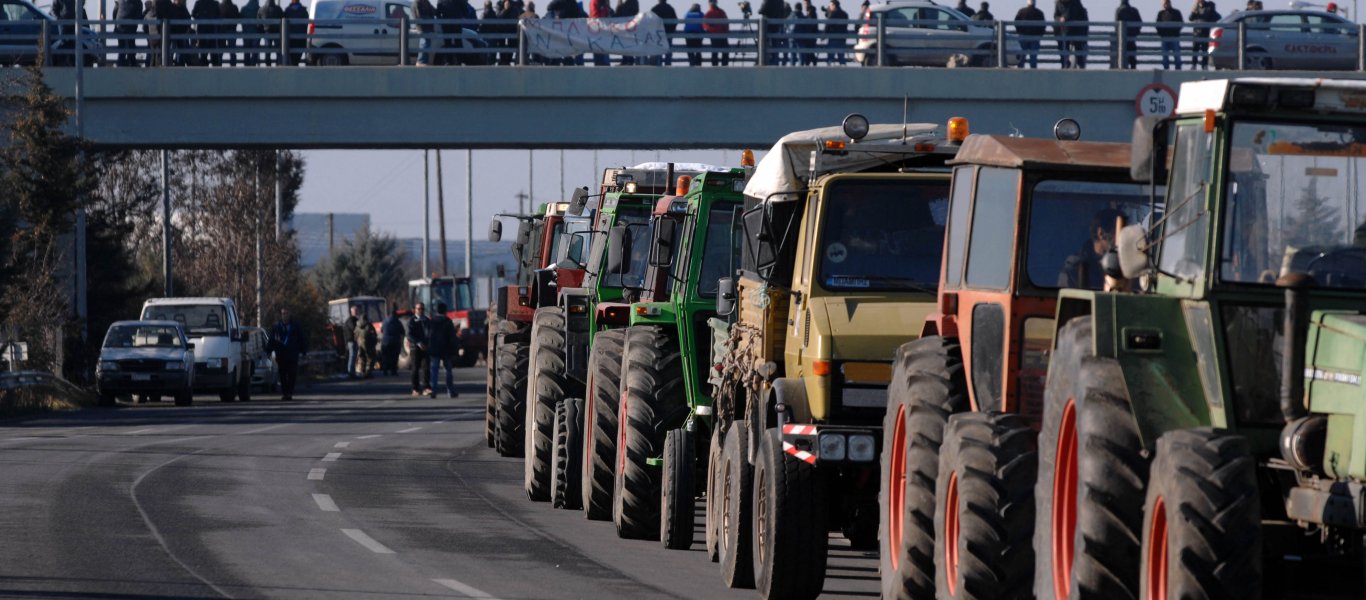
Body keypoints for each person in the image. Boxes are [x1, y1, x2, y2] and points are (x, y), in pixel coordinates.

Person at [1058, 209, 1125, 289]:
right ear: (1101, 233)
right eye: (1119, 233)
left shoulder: (1127, 264)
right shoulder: (1074, 269)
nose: (1124, 239)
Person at [268, 307, 308, 401]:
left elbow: (301, 338)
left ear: (290, 314)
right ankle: (285, 393)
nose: (284, 316)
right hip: (281, 354)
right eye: (283, 313)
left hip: (292, 354)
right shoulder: (276, 326)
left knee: (292, 374)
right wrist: (269, 350)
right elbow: (272, 340)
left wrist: (303, 350)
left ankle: (289, 392)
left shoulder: (295, 326)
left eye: (286, 313)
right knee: (282, 375)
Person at [427, 302, 459, 398]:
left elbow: (428, 335)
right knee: (448, 371)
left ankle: (434, 391)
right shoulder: (448, 321)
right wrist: (455, 350)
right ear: (445, 310)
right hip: (446, 349)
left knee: (434, 371)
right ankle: (450, 391)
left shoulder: (432, 321)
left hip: (434, 349)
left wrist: (429, 348)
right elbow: (452, 337)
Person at [407, 302, 432, 397]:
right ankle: (415, 388)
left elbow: (430, 332)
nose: (420, 311)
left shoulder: (427, 320)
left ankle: (426, 387)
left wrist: (428, 343)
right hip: (415, 348)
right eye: (418, 309)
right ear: (415, 310)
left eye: (422, 309)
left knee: (426, 368)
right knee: (415, 368)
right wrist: (418, 343)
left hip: (426, 347)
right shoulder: (412, 321)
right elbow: (409, 334)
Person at [1013, 0, 1044, 68]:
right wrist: (1039, 35)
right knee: (1033, 57)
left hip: (1023, 36)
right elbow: (1043, 26)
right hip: (1035, 37)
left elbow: (1016, 22)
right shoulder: (1039, 13)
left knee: (1022, 56)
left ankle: (1020, 69)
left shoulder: (1022, 11)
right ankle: (1033, 70)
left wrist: (1019, 31)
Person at [115, 0, 144, 67]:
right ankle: (132, 63)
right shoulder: (138, 2)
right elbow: (139, 17)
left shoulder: (121, 1)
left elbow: (115, 11)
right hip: (130, 27)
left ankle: (120, 63)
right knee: (131, 44)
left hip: (119, 27)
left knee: (121, 46)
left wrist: (115, 24)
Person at [192, 0, 222, 66]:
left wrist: (200, 19)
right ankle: (214, 66)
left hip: (204, 30)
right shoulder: (215, 3)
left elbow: (194, 14)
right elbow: (219, 16)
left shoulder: (199, 3)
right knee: (212, 51)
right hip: (211, 29)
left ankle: (204, 65)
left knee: (204, 51)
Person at [1190, 0, 1219, 70]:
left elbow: (1217, 17)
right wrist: (1193, 11)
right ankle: (1194, 65)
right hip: (1196, 32)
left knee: (1205, 50)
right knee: (1195, 50)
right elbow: (1190, 18)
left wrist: (1208, 24)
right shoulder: (1196, 8)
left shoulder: (1209, 7)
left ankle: (1204, 65)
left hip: (1205, 32)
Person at [1156, 0, 1182, 70]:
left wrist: (1175, 32)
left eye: (1166, 3)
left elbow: (1180, 23)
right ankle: (1166, 68)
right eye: (1163, 3)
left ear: (1169, 3)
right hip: (1164, 37)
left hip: (1174, 37)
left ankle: (1178, 69)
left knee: (1177, 55)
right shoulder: (1161, 13)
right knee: (1165, 56)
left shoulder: (1176, 12)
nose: (1165, 5)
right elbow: (1157, 25)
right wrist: (1161, 34)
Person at [651, 0, 677, 65]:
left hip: (658, 33)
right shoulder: (670, 8)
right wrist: (672, 30)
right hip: (668, 32)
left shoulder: (655, 9)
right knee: (668, 50)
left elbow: (650, 20)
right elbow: (675, 20)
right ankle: (668, 64)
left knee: (658, 49)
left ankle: (658, 64)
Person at [1115, 0, 1140, 69]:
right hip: (1132, 36)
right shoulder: (1134, 10)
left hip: (1122, 37)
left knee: (1121, 53)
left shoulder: (1119, 10)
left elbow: (1116, 25)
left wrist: (1118, 34)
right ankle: (1133, 68)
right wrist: (1135, 33)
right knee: (1132, 55)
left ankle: (1122, 67)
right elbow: (1139, 23)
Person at [613, 0, 639, 64]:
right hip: (626, 27)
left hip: (627, 27)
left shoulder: (631, 3)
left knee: (627, 44)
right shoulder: (632, 2)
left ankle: (628, 59)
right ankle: (626, 59)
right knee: (625, 44)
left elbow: (619, 14)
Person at [702, 0, 728, 65]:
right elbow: (705, 25)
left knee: (724, 51)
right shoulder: (710, 13)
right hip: (716, 35)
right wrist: (713, 30)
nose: (712, 3)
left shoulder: (720, 12)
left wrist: (725, 30)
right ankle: (716, 66)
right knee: (715, 52)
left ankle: (723, 66)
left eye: (713, 1)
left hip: (721, 35)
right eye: (711, 2)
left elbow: (726, 22)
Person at [759, 0, 785, 65]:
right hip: (777, 27)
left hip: (768, 27)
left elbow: (761, 11)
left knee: (765, 45)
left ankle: (766, 62)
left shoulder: (767, 1)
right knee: (775, 46)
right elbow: (782, 13)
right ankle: (775, 62)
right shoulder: (781, 1)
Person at [380, 307, 404, 376]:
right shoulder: (398, 322)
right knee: (394, 357)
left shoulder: (385, 321)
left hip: (385, 341)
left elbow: (382, 330)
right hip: (395, 341)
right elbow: (402, 331)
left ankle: (385, 370)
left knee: (385, 356)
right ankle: (393, 371)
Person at [283, 0, 308, 65]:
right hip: (301, 37)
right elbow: (307, 24)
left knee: (291, 56)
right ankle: (296, 65)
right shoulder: (303, 10)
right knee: (298, 55)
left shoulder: (287, 10)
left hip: (290, 37)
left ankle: (293, 66)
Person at [354, 313, 377, 379]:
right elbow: (373, 335)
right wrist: (374, 343)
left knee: (362, 358)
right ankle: (368, 373)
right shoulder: (369, 325)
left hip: (359, 345)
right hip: (368, 344)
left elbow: (355, 335)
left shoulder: (357, 326)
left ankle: (363, 372)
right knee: (370, 359)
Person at [260, 0, 283, 65]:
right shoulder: (278, 9)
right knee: (278, 49)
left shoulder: (262, 9)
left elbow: (258, 22)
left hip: (267, 31)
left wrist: (262, 30)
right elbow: (283, 18)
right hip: (277, 31)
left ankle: (268, 65)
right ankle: (279, 64)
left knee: (267, 49)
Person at [220, 0, 241, 65]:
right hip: (232, 30)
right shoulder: (234, 7)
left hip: (222, 31)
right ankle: (233, 65)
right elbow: (238, 18)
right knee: (232, 51)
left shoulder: (220, 6)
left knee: (220, 51)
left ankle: (219, 65)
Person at [344, 305, 361, 378]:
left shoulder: (355, 319)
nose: (356, 312)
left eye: (357, 311)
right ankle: (350, 373)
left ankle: (352, 372)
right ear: (352, 312)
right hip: (351, 341)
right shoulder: (350, 320)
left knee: (354, 357)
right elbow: (354, 328)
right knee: (352, 356)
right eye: (355, 311)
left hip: (354, 340)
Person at [241, 0, 259, 65]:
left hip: (246, 32)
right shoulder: (258, 8)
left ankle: (247, 65)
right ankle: (253, 64)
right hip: (256, 32)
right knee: (255, 51)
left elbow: (241, 20)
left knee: (246, 51)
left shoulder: (244, 9)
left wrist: (244, 28)